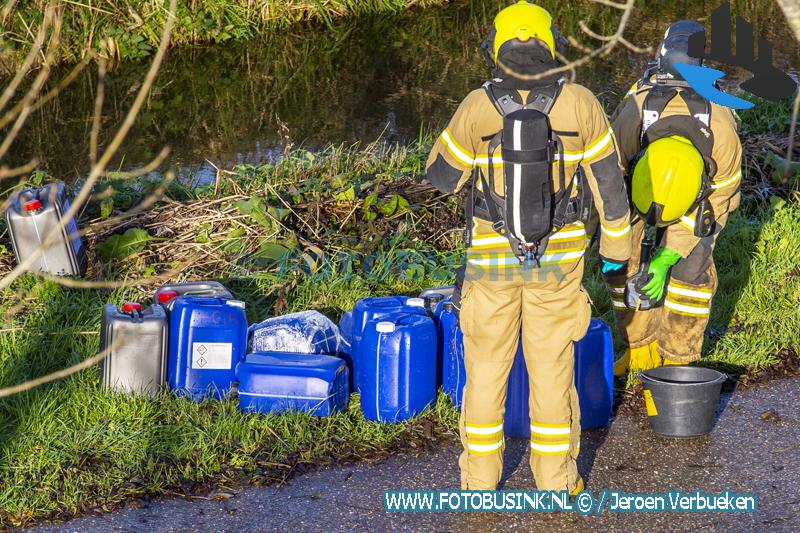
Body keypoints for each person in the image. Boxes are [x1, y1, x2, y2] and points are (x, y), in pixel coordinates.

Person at [425, 1, 632, 492]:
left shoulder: (478, 104)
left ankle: (478, 481)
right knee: (552, 370)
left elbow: (442, 178)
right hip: (558, 265)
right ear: (550, 45)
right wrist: (618, 255)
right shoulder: (580, 102)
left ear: (497, 49)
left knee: (486, 371)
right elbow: (609, 187)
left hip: (491, 265)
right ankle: (557, 482)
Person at [607, 20, 742, 375]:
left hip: (702, 200)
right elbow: (610, 173)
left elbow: (724, 193)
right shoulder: (638, 107)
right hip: (638, 189)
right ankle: (640, 349)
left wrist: (670, 253)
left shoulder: (720, 124)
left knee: (691, 275)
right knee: (623, 264)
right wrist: (606, 236)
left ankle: (679, 359)